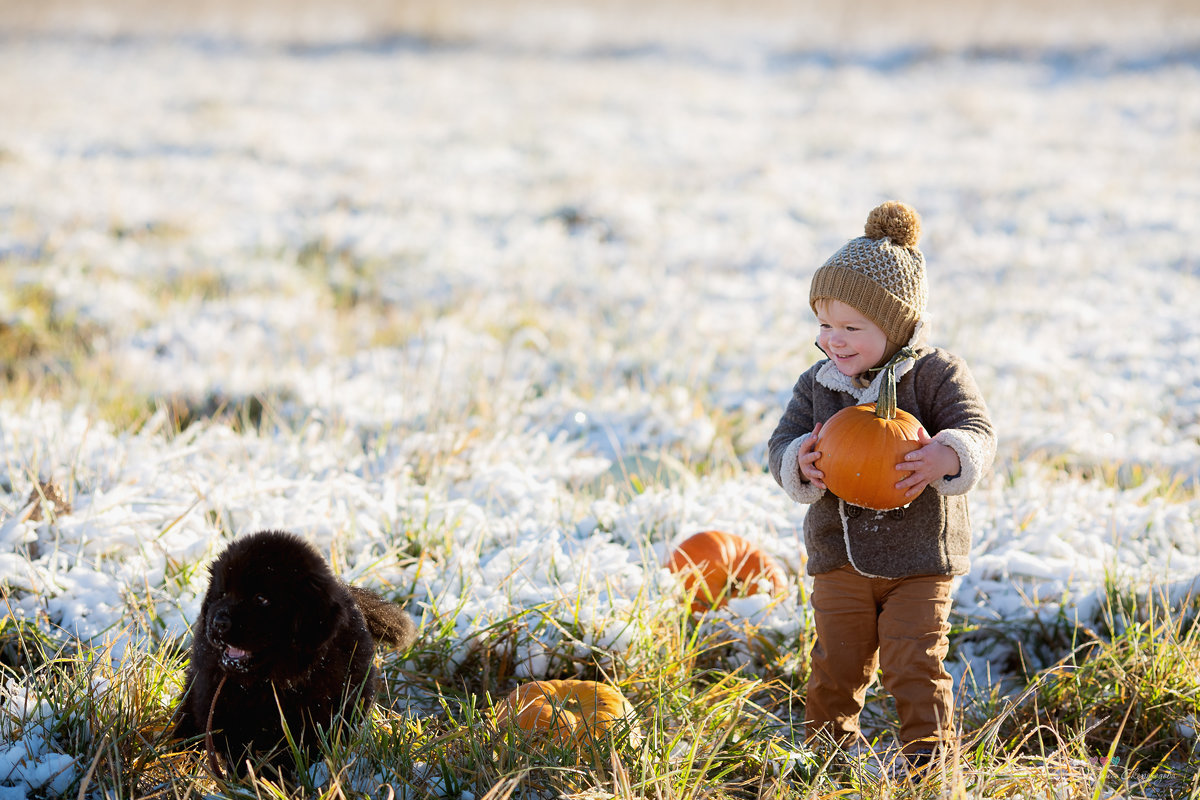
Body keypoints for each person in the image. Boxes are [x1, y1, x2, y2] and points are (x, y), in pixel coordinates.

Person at [767, 201, 995, 764]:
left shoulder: (936, 373)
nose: (833, 339)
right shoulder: (816, 383)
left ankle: (929, 761)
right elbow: (780, 444)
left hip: (920, 560)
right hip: (838, 557)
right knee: (836, 663)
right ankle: (828, 757)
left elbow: (978, 428)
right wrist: (803, 461)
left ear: (894, 326)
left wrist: (948, 455)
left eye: (851, 327)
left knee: (913, 661)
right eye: (824, 324)